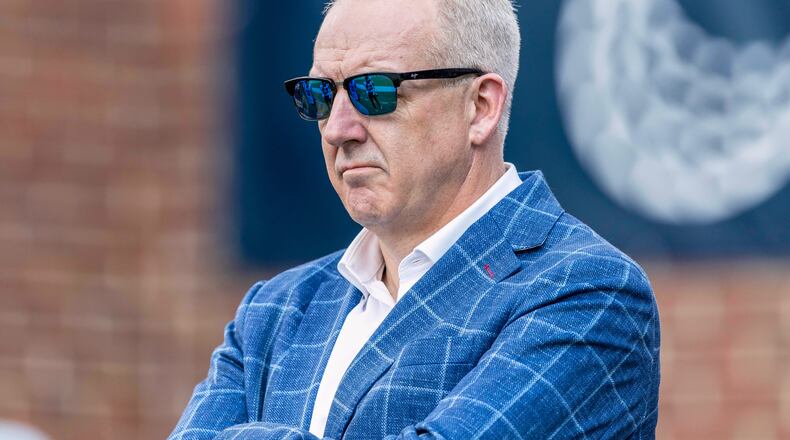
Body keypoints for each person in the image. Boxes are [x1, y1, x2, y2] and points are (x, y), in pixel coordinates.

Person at [168, 0, 660, 439]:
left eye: (375, 91)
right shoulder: (274, 313)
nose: (338, 129)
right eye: (320, 95)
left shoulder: (588, 293)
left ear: (480, 107)